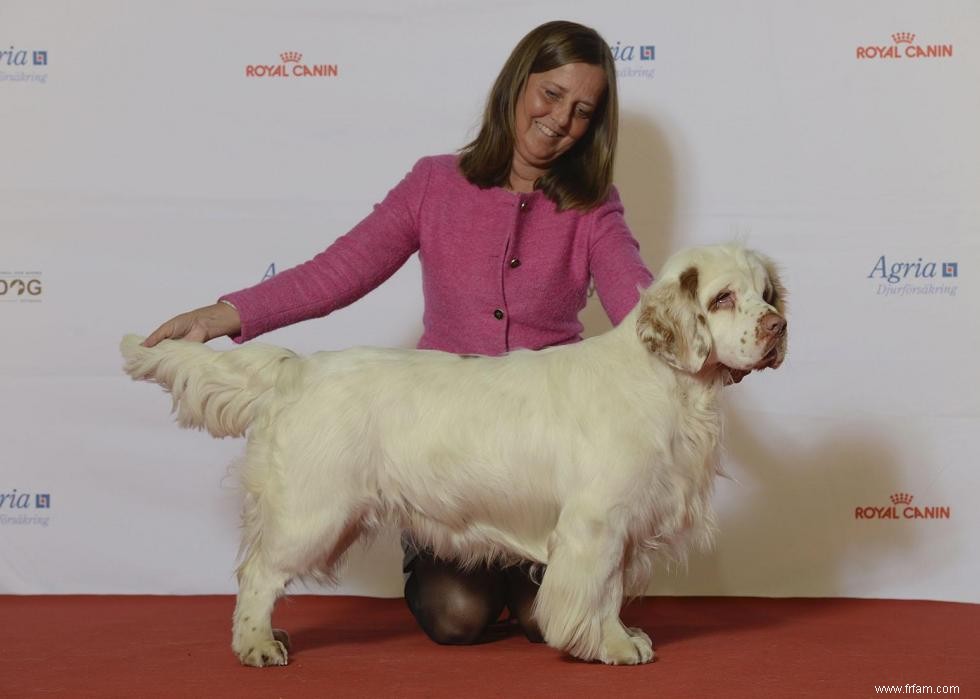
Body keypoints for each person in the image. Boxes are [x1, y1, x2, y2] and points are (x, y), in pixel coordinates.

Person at [143, 20, 653, 647]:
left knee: (546, 620)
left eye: (582, 111)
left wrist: (702, 332)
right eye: (550, 95)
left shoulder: (593, 204)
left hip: (544, 463)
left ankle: (539, 577)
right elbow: (340, 270)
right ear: (518, 85)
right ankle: (270, 607)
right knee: (456, 616)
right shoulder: (436, 182)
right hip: (436, 448)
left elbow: (638, 300)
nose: (559, 120)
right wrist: (226, 314)